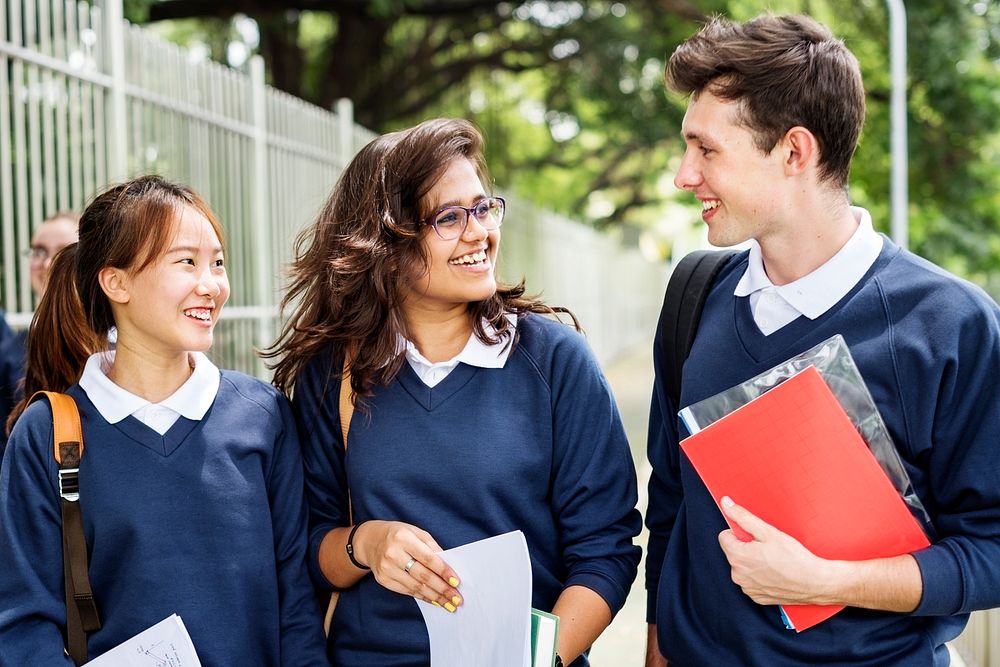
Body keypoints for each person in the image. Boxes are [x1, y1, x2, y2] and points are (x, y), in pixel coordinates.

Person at [644, 14, 1000, 666]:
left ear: (794, 152)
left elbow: (991, 549)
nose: (683, 174)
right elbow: (670, 502)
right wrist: (657, 648)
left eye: (706, 149)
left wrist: (827, 582)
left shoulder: (952, 326)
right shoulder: (694, 298)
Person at [265, 118, 642, 666]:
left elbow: (604, 549)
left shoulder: (556, 362)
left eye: (483, 207)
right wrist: (366, 544)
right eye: (449, 217)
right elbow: (310, 546)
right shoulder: (333, 374)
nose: (479, 232)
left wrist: (534, 660)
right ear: (386, 246)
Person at [0, 176, 328, 665]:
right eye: (186, 262)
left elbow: (296, 610)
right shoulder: (47, 433)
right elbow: (25, 624)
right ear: (117, 281)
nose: (211, 284)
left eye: (217, 262)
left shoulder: (263, 416)